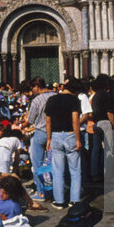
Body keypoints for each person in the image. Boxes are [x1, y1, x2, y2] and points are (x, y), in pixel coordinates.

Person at [44, 79, 87, 210]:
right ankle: (74, 200)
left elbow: (48, 121)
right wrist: (78, 139)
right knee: (75, 170)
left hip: (55, 135)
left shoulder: (51, 100)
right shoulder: (74, 100)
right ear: (75, 90)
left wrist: (48, 138)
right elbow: (75, 121)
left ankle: (60, 201)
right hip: (70, 135)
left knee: (58, 171)